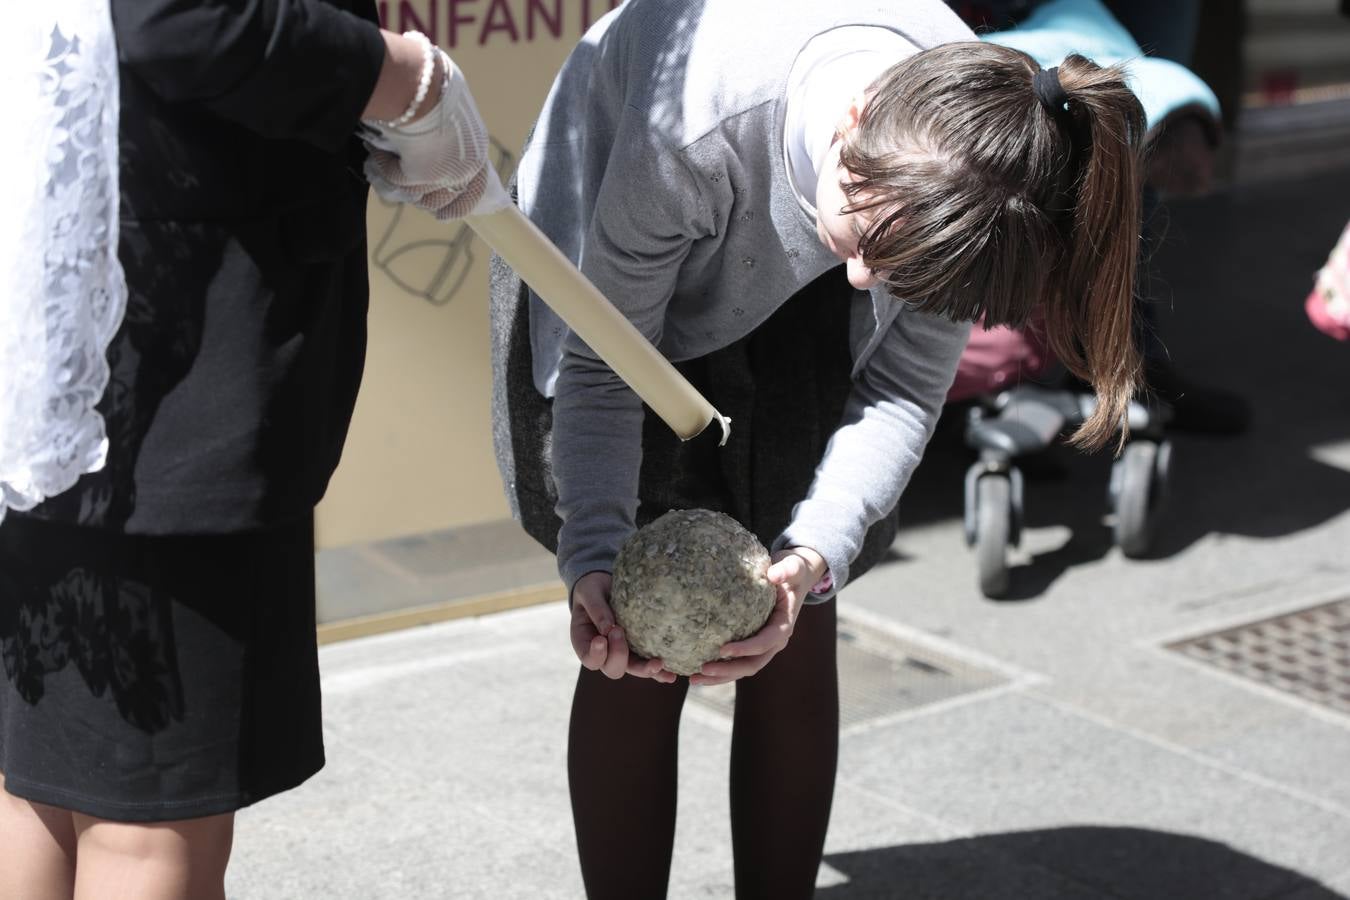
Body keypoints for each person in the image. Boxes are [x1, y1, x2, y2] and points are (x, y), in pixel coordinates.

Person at [490, 0, 1147, 895]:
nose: (867, 282)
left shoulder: (971, 175)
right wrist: (594, 553)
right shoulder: (692, 125)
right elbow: (606, 372)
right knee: (635, 644)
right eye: (871, 246)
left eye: (899, 269)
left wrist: (814, 558)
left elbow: (903, 386)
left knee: (792, 627)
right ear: (853, 118)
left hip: (825, 212)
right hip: (623, 241)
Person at [0, 2, 490, 898]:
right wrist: (401, 79)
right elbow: (180, 14)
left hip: (66, 310)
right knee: (141, 822)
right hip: (168, 350)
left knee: (44, 788)